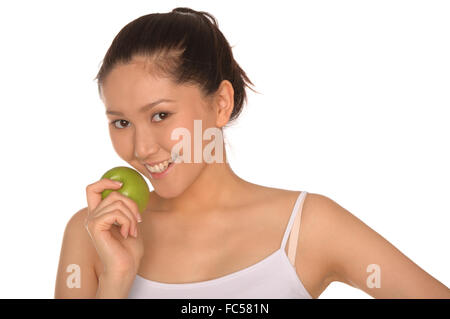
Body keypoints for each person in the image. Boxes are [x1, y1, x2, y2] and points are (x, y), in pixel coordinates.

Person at [54, 7, 450, 299]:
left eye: (161, 114)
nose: (141, 148)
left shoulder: (304, 228)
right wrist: (117, 280)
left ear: (221, 103)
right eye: (121, 122)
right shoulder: (94, 233)